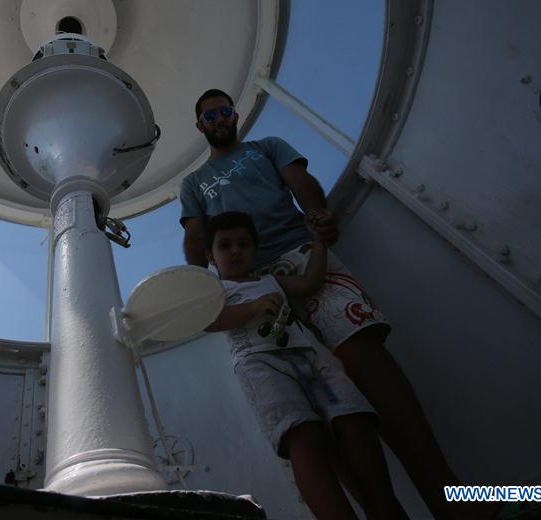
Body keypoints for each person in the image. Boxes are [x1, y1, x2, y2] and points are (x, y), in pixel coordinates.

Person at [180, 89, 477, 520]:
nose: (218, 118)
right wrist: (202, 275)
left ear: (235, 115)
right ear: (200, 125)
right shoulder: (193, 184)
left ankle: (459, 502)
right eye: (209, 115)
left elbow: (301, 183)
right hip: (252, 286)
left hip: (301, 255)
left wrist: (317, 215)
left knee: (362, 359)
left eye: (224, 111)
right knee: (319, 414)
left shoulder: (267, 148)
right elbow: (194, 240)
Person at [205, 211, 406, 520]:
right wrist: (252, 307)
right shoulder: (215, 292)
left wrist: (318, 242)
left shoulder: (271, 280)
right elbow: (211, 321)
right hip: (263, 366)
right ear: (211, 255)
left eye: (244, 244)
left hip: (311, 362)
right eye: (225, 245)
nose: (235, 251)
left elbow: (310, 282)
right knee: (302, 435)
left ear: (255, 251)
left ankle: (385, 508)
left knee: (353, 420)